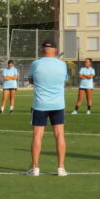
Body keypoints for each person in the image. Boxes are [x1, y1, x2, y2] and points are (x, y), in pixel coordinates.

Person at [27, 40, 69, 176]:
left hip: (40, 104)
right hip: (58, 104)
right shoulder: (62, 65)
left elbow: (31, 80)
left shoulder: (36, 64)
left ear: (42, 49)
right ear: (55, 50)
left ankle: (35, 168)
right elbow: (64, 81)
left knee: (38, 135)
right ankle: (61, 167)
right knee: (59, 134)